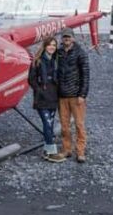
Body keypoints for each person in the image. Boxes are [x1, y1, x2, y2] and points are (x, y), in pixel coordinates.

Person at [50, 28, 89, 163]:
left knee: (79, 124)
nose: (66, 39)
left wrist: (82, 94)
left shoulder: (80, 53)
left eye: (68, 37)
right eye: (64, 37)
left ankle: (80, 151)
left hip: (76, 96)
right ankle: (67, 149)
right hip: (62, 95)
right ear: (62, 38)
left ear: (73, 38)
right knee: (65, 125)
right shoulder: (58, 52)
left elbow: (86, 75)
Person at [28, 36, 65, 162]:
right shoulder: (37, 61)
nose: (52, 47)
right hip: (42, 98)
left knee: (50, 123)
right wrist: (40, 91)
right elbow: (31, 80)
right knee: (47, 124)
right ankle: (51, 152)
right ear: (45, 46)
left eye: (54, 45)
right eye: (50, 45)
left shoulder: (55, 61)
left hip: (53, 96)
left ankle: (46, 150)